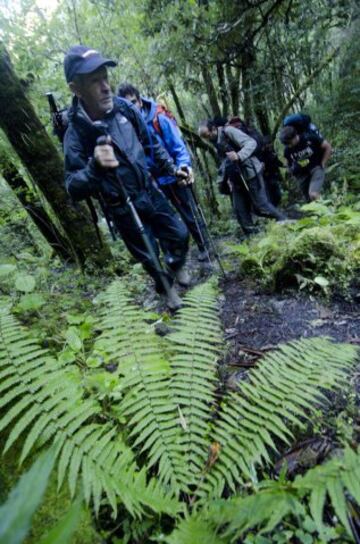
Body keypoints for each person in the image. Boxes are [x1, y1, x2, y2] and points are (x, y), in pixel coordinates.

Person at [63, 45, 191, 310]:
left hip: (149, 190)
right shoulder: (75, 134)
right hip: (121, 204)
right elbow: (73, 187)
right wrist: (95, 167)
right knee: (148, 256)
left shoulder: (125, 109)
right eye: (94, 81)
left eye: (105, 78)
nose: (105, 86)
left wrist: (171, 169)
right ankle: (167, 291)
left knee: (179, 234)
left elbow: (151, 144)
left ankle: (175, 264)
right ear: (76, 89)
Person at [117, 83, 209, 262]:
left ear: (140, 101)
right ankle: (175, 256)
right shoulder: (127, 127)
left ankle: (204, 246)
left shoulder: (159, 118)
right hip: (153, 182)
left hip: (174, 175)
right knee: (163, 221)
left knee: (189, 213)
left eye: (134, 101)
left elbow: (177, 146)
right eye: (127, 103)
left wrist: (183, 167)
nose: (132, 106)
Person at [198, 118, 286, 236]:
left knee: (261, 205)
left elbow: (251, 143)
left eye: (207, 135)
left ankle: (284, 220)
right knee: (239, 209)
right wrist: (227, 178)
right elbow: (225, 161)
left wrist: (239, 155)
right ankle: (252, 237)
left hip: (251, 172)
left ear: (213, 129)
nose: (207, 139)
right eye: (204, 137)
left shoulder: (228, 131)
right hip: (235, 177)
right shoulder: (215, 142)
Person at [279, 125, 332, 201]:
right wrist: (292, 171)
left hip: (316, 168)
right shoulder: (287, 150)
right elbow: (287, 163)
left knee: (313, 194)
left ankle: (328, 210)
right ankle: (317, 212)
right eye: (286, 144)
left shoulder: (310, 138)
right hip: (302, 175)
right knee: (309, 200)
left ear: (295, 136)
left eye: (289, 142)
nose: (288, 145)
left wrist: (323, 163)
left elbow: (328, 147)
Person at [261, 136, 283, 207]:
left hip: (274, 175)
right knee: (270, 194)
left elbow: (277, 162)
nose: (269, 145)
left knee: (277, 194)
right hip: (267, 177)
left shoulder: (272, 152)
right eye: (268, 144)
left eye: (270, 144)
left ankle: (276, 206)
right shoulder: (262, 155)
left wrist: (283, 165)